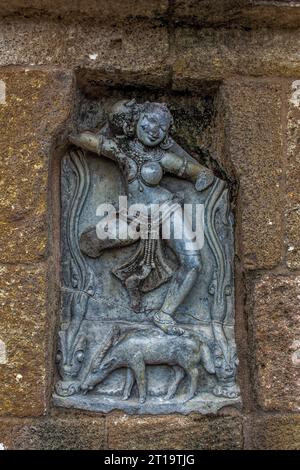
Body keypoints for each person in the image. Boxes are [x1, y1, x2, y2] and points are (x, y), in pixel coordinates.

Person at [69, 100, 215, 335]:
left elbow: (198, 173)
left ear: (167, 136)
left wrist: (203, 177)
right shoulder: (122, 150)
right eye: (149, 121)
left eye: (162, 128)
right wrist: (115, 118)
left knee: (192, 262)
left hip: (166, 210)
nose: (154, 130)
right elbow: (87, 140)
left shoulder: (164, 158)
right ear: (135, 120)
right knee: (93, 242)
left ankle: (165, 314)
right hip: (134, 216)